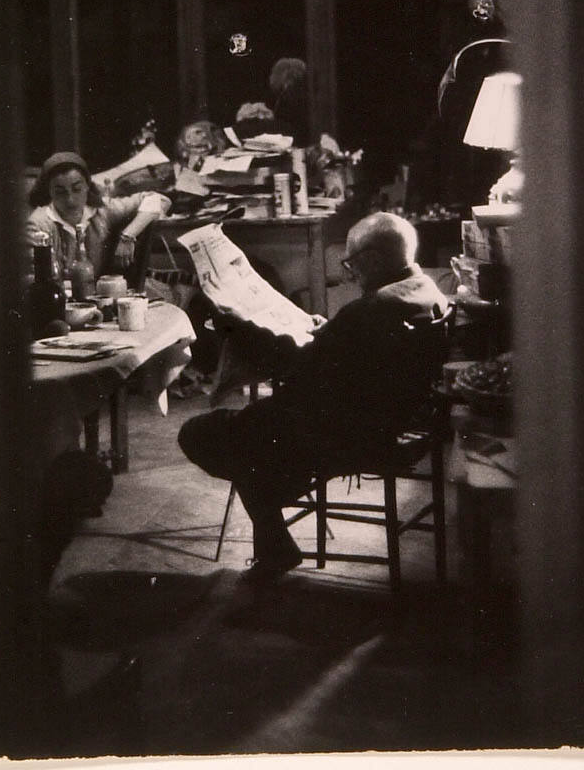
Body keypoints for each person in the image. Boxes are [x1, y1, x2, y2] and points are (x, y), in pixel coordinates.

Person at [177, 212, 450, 585]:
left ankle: (275, 538)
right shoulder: (426, 290)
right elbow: (354, 352)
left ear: (372, 260)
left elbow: (297, 372)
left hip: (352, 433)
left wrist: (236, 327)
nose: (350, 273)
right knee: (251, 435)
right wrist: (331, 332)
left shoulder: (367, 312)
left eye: (351, 264)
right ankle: (275, 523)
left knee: (208, 433)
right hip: (397, 419)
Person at [26, 150, 170, 280]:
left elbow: (157, 199)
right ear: (49, 191)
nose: (70, 200)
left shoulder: (101, 211)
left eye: (77, 189)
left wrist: (127, 236)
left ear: (87, 186)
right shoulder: (38, 224)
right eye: (60, 192)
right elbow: (32, 278)